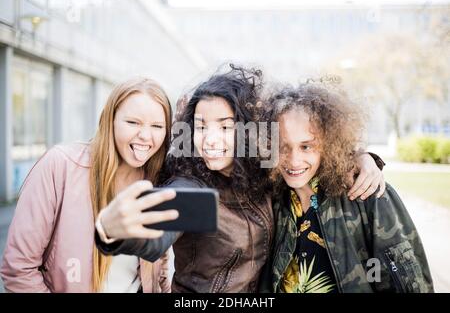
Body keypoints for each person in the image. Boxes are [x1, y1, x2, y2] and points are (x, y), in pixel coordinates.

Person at [95, 65, 386, 293]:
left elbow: (310, 152)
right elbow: (158, 236)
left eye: (225, 127)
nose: (210, 139)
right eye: (201, 126)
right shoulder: (192, 185)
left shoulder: (264, 176)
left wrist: (361, 158)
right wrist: (113, 233)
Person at [1, 78, 179, 292]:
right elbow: (18, 268)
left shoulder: (158, 184)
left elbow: (159, 270)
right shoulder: (60, 166)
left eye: (157, 126)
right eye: (133, 122)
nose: (145, 136)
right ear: (109, 119)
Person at [258, 82, 434, 293]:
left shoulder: (369, 194)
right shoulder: (272, 200)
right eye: (282, 147)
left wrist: (363, 158)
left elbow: (407, 286)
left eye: (306, 146)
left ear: (330, 143)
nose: (294, 160)